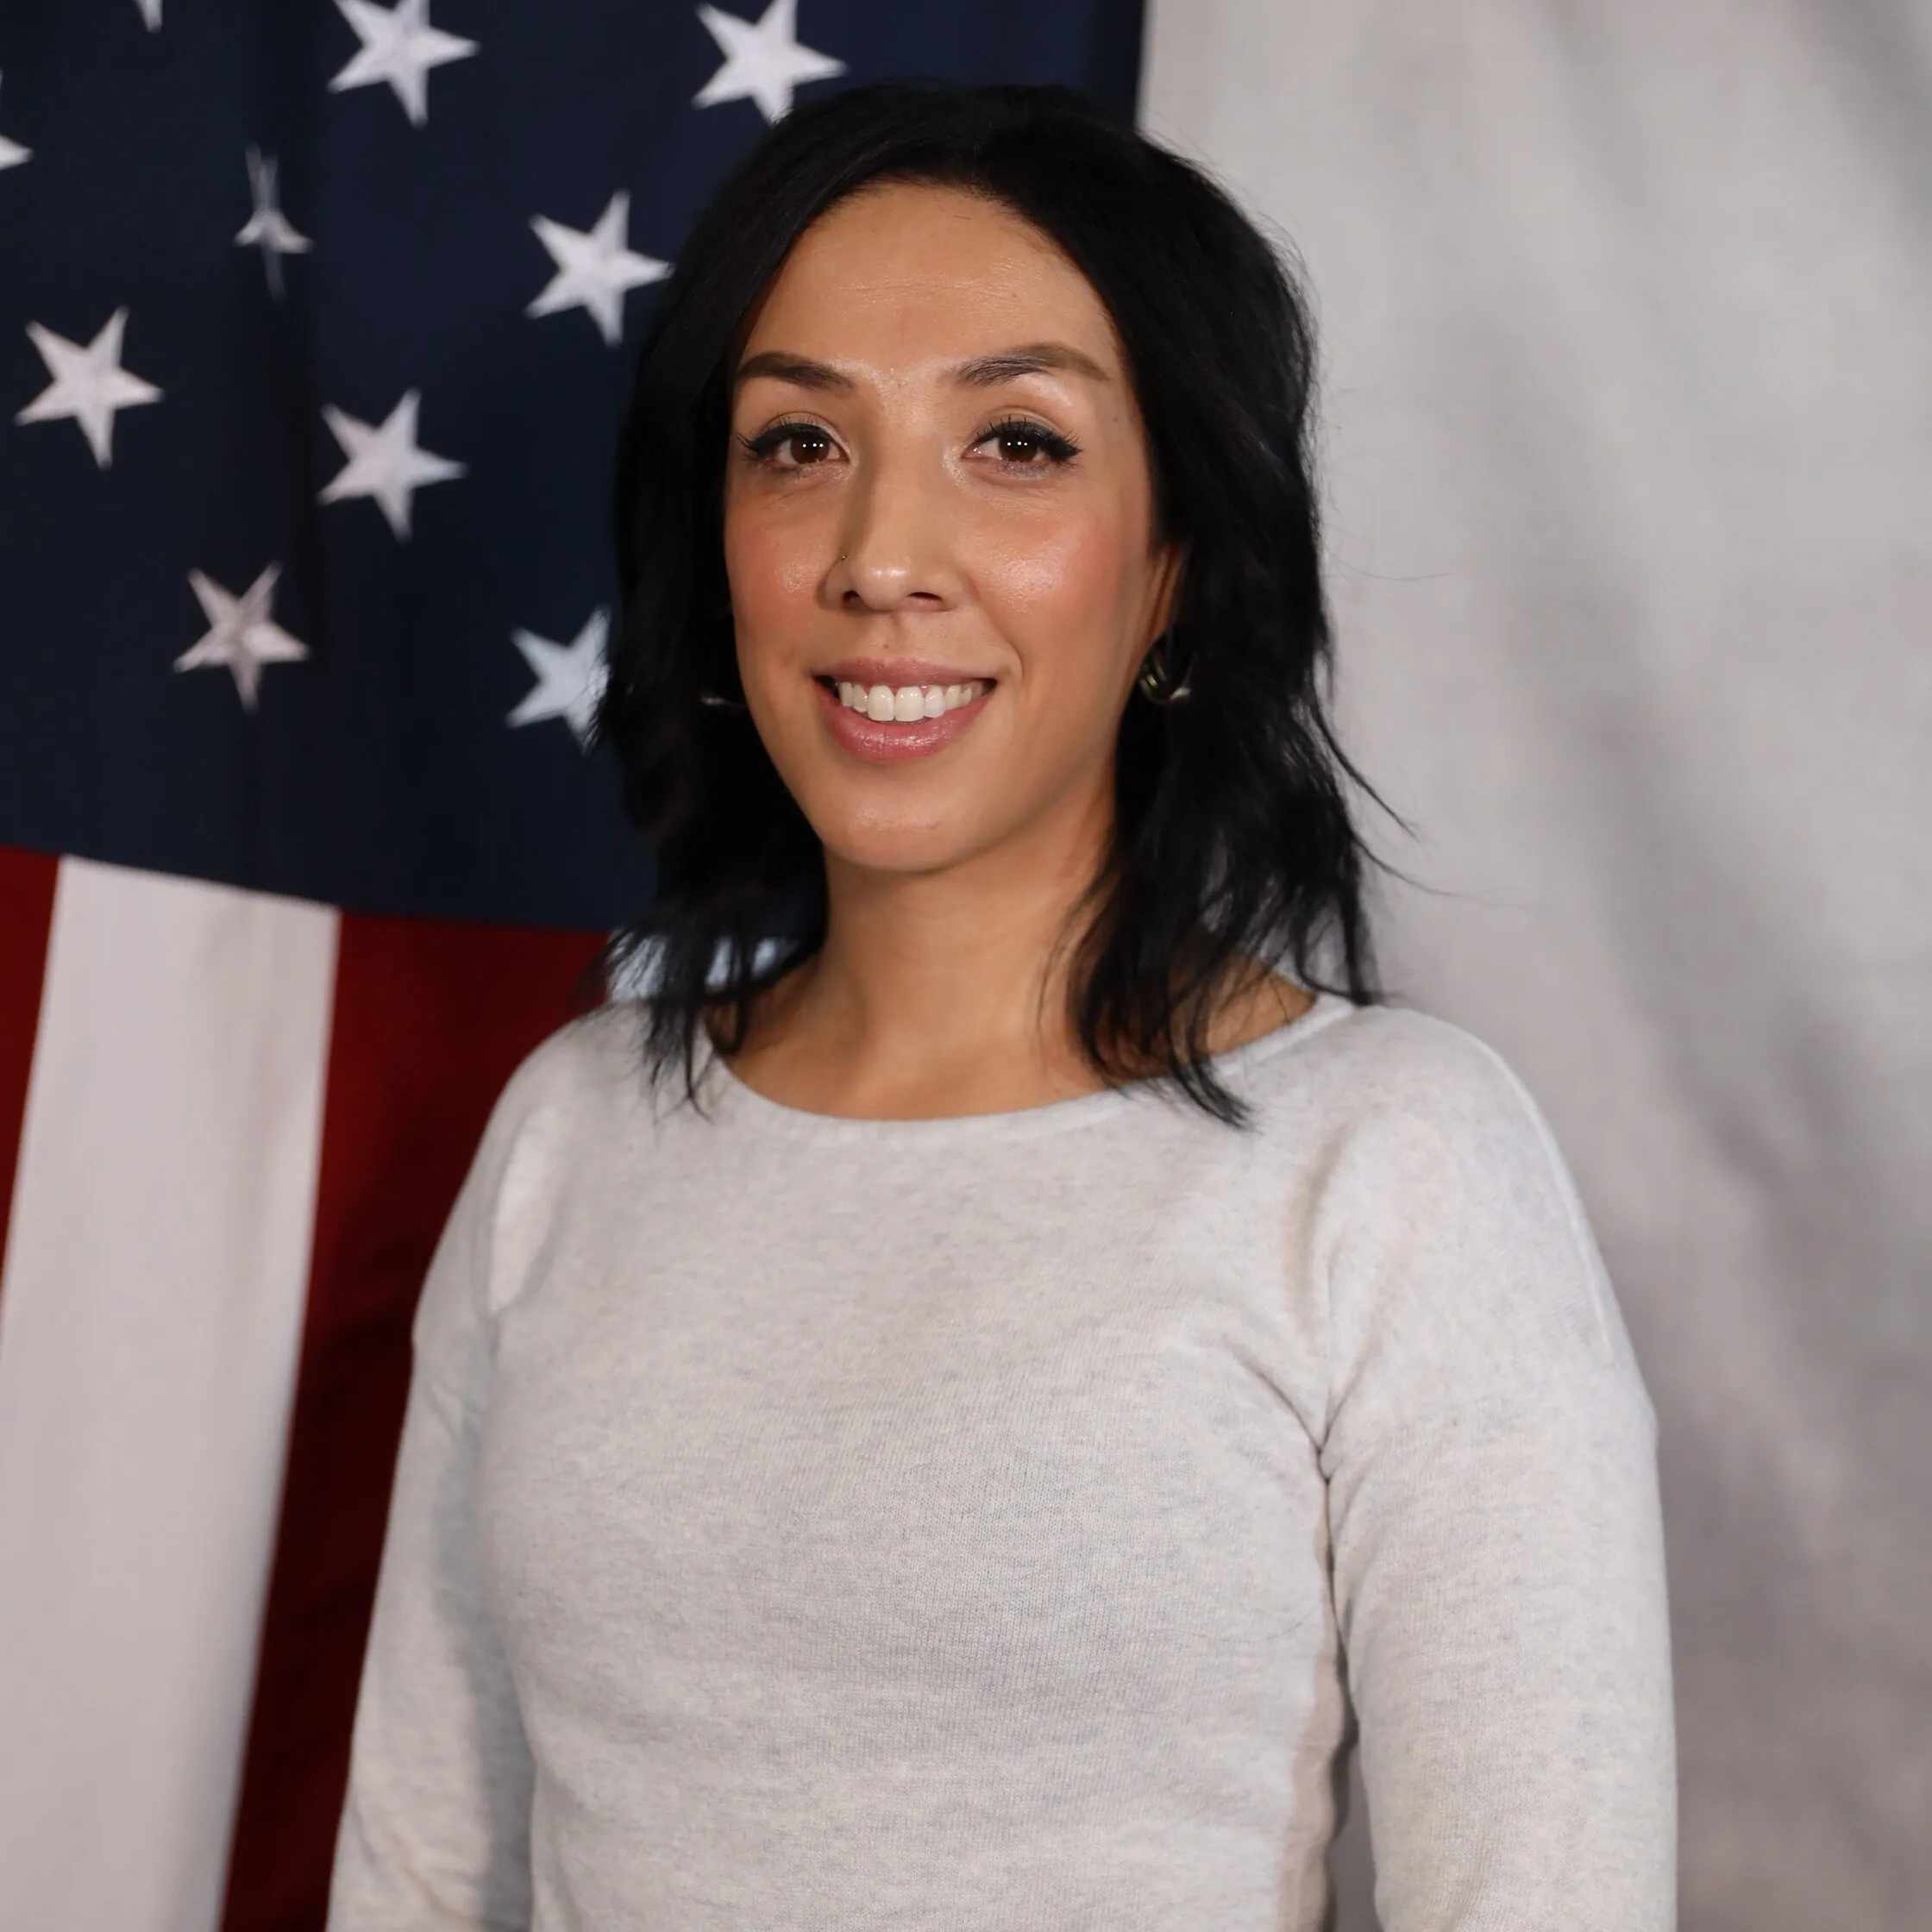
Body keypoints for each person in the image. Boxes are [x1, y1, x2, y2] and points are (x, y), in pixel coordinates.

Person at [327, 83, 1674, 1931]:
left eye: (1017, 443)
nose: (881, 553)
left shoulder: (1394, 1162)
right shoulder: (572, 1132)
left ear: (1179, 565)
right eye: (797, 441)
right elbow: (418, 1873)